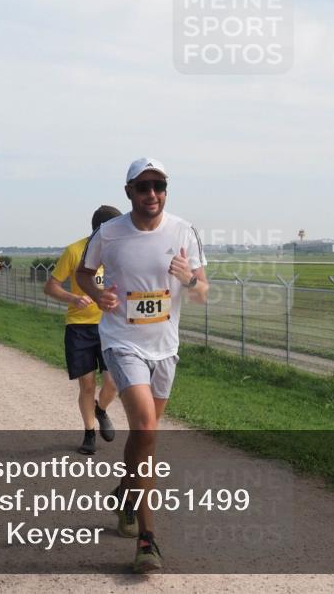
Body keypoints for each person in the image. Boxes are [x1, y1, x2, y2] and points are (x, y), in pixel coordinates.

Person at [76, 158, 207, 574]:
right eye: (144, 186)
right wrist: (98, 296)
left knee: (144, 440)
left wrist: (189, 279)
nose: (153, 194)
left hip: (165, 348)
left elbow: (203, 293)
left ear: (166, 190)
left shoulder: (184, 231)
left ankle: (125, 495)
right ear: (129, 190)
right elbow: (83, 272)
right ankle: (148, 541)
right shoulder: (109, 233)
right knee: (146, 429)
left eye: (160, 186)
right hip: (121, 341)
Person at [44, 205, 121, 455]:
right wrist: (72, 298)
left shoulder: (122, 253)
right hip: (79, 327)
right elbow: (51, 287)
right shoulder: (75, 251)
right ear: (101, 229)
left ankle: (101, 409)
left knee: (113, 382)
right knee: (86, 385)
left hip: (111, 327)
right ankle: (89, 433)